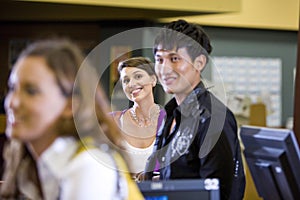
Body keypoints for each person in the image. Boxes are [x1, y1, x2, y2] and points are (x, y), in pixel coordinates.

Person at [0, 39, 144, 200]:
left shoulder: (88, 166)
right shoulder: (29, 165)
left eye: (31, 91)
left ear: (71, 105)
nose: (12, 102)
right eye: (13, 88)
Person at [144, 19, 246, 200]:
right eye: (159, 60)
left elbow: (218, 193)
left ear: (199, 63)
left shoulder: (213, 118)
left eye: (174, 59)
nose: (164, 68)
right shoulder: (171, 113)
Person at [111, 57, 166, 181]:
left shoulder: (170, 120)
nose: (131, 84)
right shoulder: (112, 121)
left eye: (138, 76)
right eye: (126, 80)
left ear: (153, 80)